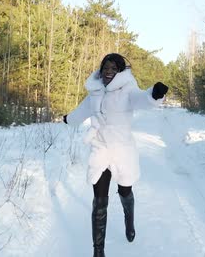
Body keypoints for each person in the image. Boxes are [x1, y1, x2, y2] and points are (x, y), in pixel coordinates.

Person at [63, 53, 168, 257]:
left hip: (122, 150)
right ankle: (98, 251)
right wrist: (69, 119)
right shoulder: (94, 92)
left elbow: (142, 99)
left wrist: (154, 94)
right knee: (99, 201)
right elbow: (81, 111)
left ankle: (129, 221)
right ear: (101, 70)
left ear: (120, 71)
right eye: (105, 68)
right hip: (101, 149)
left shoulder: (127, 90)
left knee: (125, 191)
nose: (108, 72)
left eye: (113, 68)